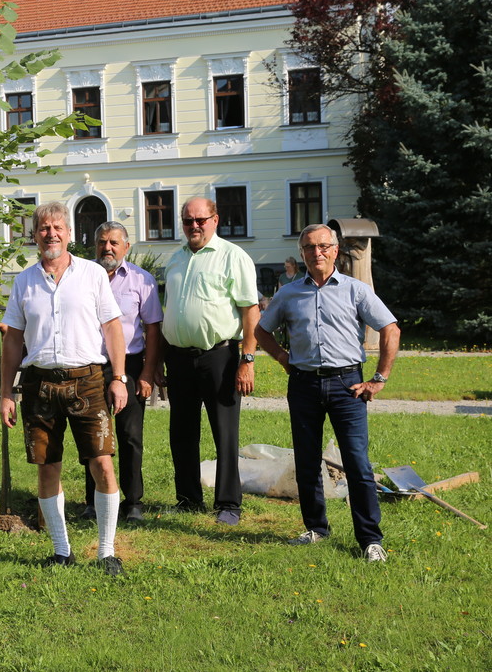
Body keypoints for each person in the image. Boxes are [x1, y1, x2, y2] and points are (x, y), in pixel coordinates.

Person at [255, 224, 399, 562]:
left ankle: (369, 539)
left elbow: (390, 329)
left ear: (335, 250)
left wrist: (379, 378)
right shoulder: (289, 293)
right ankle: (316, 528)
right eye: (308, 247)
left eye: (322, 246)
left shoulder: (355, 290)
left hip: (347, 386)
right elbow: (262, 330)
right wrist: (281, 357)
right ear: (302, 252)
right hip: (303, 384)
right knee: (307, 461)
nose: (316, 253)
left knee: (358, 464)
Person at [0, 202, 128, 575]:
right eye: (43, 228)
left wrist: (118, 378)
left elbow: (113, 329)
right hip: (40, 384)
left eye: (58, 227)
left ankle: (106, 552)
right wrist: (6, 392)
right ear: (35, 236)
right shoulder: (24, 281)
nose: (51, 234)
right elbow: (12, 342)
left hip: (88, 381)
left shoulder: (92, 275)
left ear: (70, 233)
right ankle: (61, 550)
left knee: (102, 463)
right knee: (46, 467)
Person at [158, 197, 259, 526]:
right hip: (179, 358)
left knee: (224, 432)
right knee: (182, 432)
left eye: (201, 220)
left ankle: (229, 503)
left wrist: (247, 359)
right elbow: (168, 312)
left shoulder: (233, 256)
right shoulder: (174, 259)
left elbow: (249, 310)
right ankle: (188, 499)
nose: (194, 226)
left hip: (220, 356)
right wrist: (160, 358)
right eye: (188, 221)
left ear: (215, 220)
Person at [80, 221, 161, 524]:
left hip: (131, 365)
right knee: (92, 436)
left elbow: (153, 330)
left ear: (127, 247)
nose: (107, 248)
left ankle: (133, 501)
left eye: (114, 242)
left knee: (129, 436)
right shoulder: (83, 277)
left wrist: (148, 373)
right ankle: (92, 500)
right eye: (102, 242)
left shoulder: (143, 280)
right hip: (91, 366)